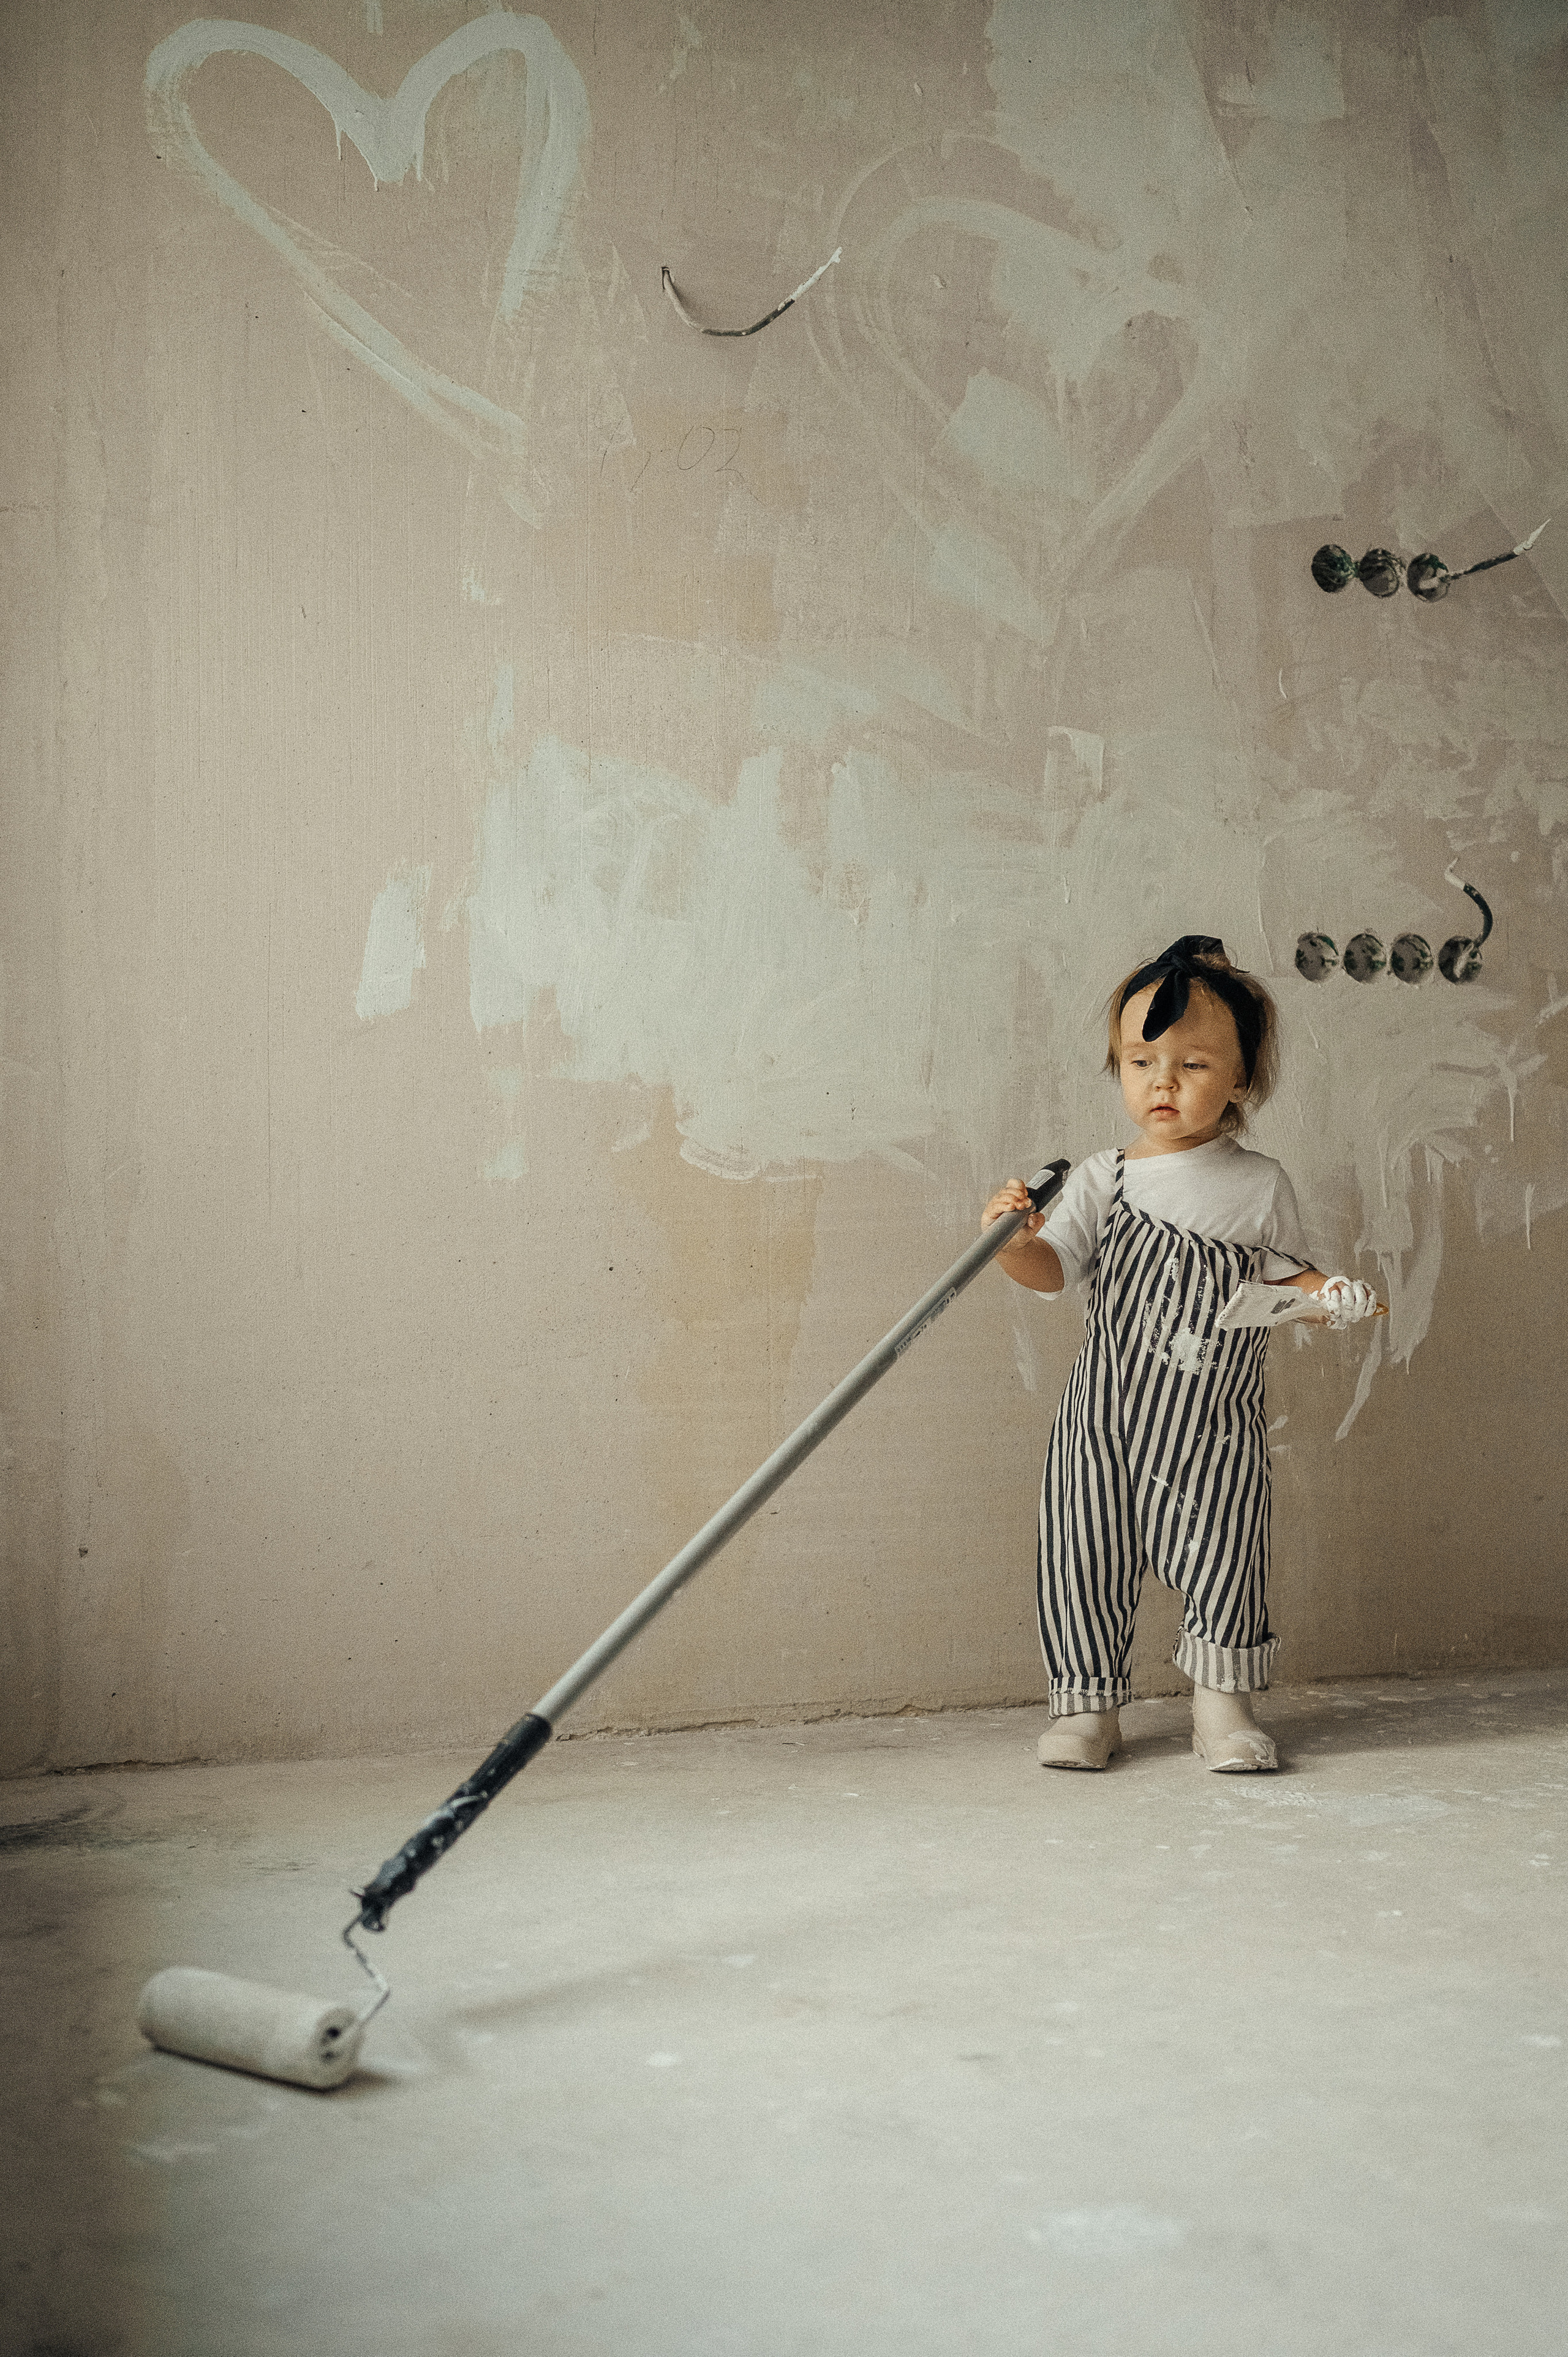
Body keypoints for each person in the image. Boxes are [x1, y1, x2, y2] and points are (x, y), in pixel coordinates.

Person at [982, 936, 1378, 1774]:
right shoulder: (1101, 1180)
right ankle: (1089, 1708)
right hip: (1104, 1422)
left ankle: (1220, 1707)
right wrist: (1010, 1242)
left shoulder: (1258, 1184)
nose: (1163, 1081)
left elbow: (1296, 1279)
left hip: (1214, 1431)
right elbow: (1049, 1272)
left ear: (1241, 1081)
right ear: (1118, 1068)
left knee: (1227, 1558)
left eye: (1193, 1063)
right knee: (1083, 1554)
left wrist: (1335, 1299)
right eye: (1141, 1059)